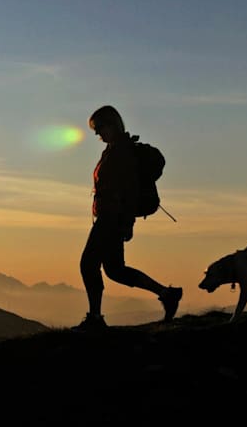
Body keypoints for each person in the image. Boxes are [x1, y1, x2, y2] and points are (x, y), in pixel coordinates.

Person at [77, 106, 182, 330]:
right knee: (115, 270)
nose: (98, 135)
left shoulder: (121, 152)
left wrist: (127, 222)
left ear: (112, 124)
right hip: (111, 217)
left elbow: (130, 190)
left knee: (88, 264)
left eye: (100, 128)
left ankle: (95, 318)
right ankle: (166, 294)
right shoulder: (114, 150)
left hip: (111, 219)